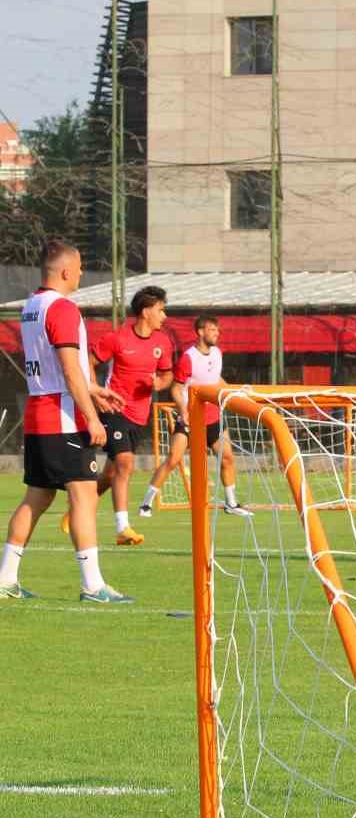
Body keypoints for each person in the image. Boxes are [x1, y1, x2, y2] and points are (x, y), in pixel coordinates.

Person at [0, 240, 134, 603]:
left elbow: (56, 369)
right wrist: (92, 417)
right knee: (84, 495)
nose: (81, 272)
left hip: (39, 412)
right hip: (62, 417)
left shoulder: (32, 306)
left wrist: (94, 389)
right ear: (65, 272)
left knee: (37, 496)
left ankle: (5, 578)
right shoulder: (62, 309)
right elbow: (70, 369)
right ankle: (93, 585)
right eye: (79, 267)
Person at [61, 284, 173, 546]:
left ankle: (76, 509)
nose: (164, 316)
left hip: (139, 416)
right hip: (115, 411)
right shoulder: (117, 338)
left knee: (112, 476)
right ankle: (123, 528)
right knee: (125, 463)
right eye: (160, 310)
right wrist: (94, 393)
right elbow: (89, 361)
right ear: (145, 311)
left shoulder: (163, 342)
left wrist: (158, 383)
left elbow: (167, 374)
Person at [140, 315, 251, 518]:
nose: (217, 333)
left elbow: (215, 379)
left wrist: (234, 391)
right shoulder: (188, 358)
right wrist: (183, 411)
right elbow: (176, 388)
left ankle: (231, 503)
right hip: (191, 418)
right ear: (200, 332)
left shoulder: (217, 353)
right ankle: (146, 503)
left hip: (214, 417)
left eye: (217, 330)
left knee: (227, 458)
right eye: (212, 330)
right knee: (173, 459)